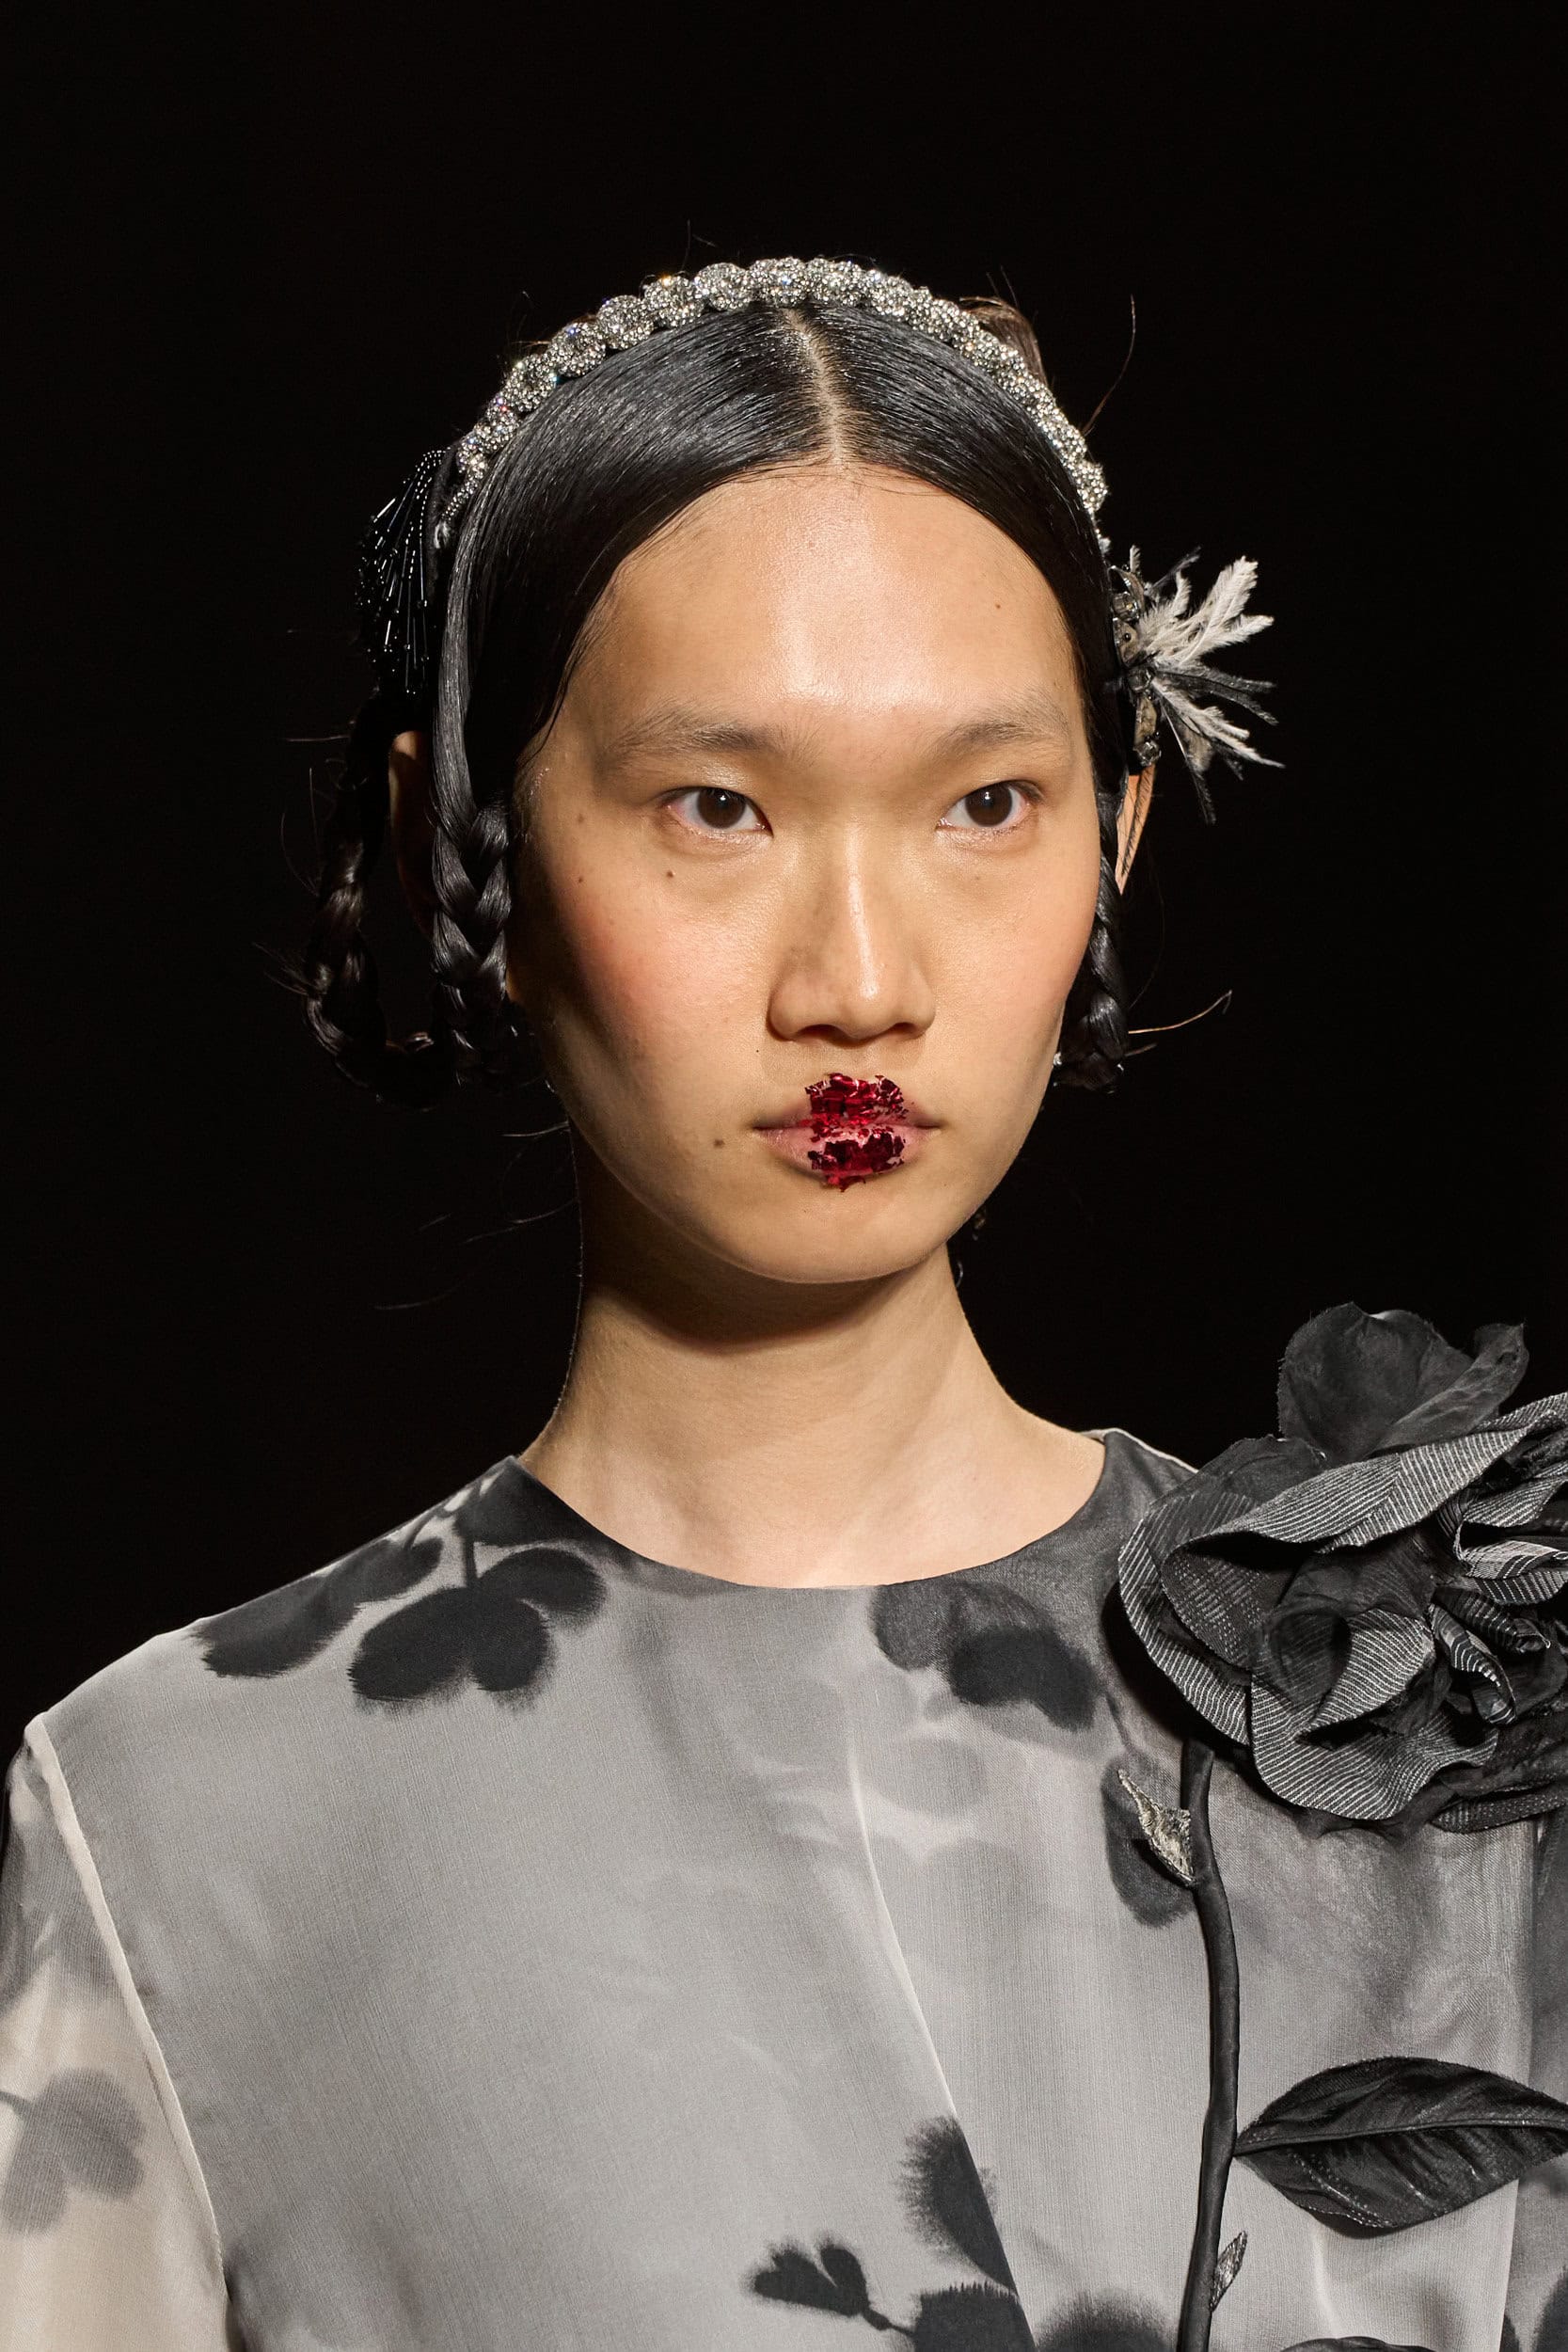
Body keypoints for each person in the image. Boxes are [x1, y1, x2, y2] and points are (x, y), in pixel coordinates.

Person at [1, 257, 1563, 2352]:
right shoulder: (181, 1819)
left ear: (1115, 836)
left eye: (984, 805)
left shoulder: (1439, 1735)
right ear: (468, 842)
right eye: (716, 808)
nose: (860, 980)